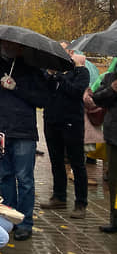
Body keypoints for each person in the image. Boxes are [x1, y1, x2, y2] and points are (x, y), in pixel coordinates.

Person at [0, 40, 49, 241]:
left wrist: (17, 88)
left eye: (11, 46)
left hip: (23, 132)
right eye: (4, 45)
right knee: (4, 176)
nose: (7, 49)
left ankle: (25, 222)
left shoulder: (32, 69)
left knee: (24, 179)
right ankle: (9, 218)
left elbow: (42, 99)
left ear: (21, 48)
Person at [39, 42, 90, 218]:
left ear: (70, 52)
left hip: (72, 123)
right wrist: (50, 75)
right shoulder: (51, 72)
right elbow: (43, 90)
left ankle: (81, 202)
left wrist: (59, 76)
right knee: (56, 160)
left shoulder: (81, 71)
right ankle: (59, 196)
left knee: (77, 163)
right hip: (52, 121)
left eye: (64, 50)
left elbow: (75, 91)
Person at [92, 63, 117, 232]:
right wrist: (112, 90)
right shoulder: (110, 77)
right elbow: (97, 99)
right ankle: (115, 220)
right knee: (114, 180)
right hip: (114, 136)